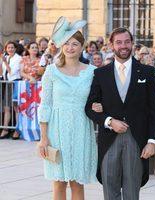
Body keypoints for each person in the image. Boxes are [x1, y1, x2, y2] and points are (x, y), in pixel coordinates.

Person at [85, 27, 155, 200]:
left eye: (127, 41)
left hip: (137, 140)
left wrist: (152, 142)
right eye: (118, 42)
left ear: (132, 44)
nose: (123, 46)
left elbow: (154, 110)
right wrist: (110, 121)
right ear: (111, 45)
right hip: (109, 139)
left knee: (132, 190)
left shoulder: (147, 73)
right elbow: (89, 107)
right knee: (109, 189)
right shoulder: (100, 73)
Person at [37, 16, 100, 200]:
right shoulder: (51, 71)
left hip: (81, 128)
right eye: (67, 43)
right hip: (57, 131)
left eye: (75, 44)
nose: (70, 47)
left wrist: (98, 105)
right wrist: (43, 138)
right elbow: (45, 105)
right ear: (61, 46)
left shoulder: (91, 72)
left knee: (77, 182)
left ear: (82, 47)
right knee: (58, 182)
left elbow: (97, 100)